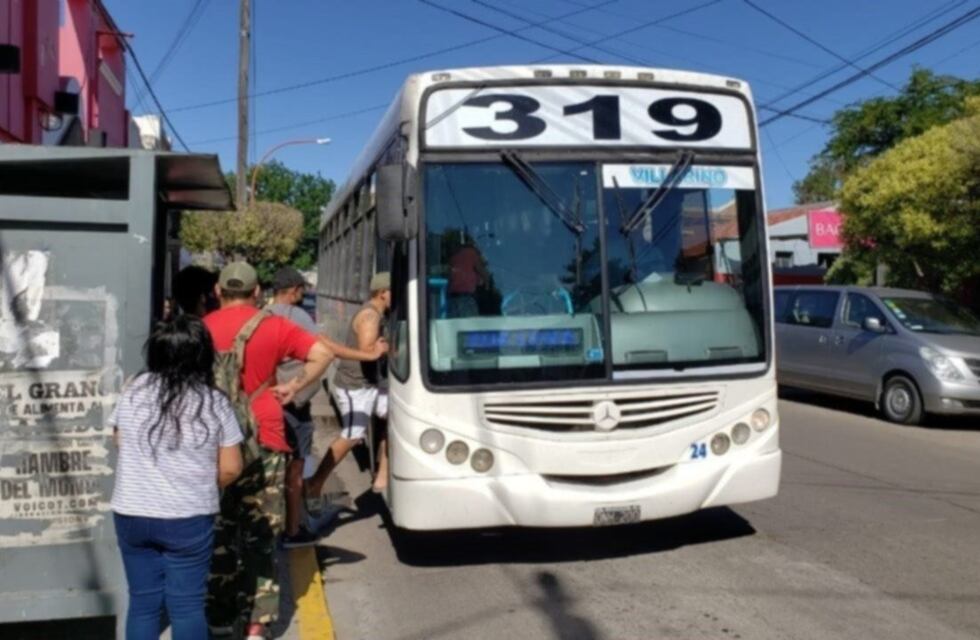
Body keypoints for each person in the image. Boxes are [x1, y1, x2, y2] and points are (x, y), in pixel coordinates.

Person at [203, 261, 332, 639]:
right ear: (258, 292)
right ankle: (256, 625)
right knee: (260, 534)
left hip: (211, 442)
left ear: (217, 290)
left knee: (219, 531)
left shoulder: (200, 328)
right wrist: (295, 386)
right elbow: (322, 353)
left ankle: (220, 617)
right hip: (266, 435)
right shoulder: (273, 325)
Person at [111, 316, 244, 640]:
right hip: (187, 518)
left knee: (143, 603)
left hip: (131, 512)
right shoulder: (214, 403)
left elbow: (119, 439)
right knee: (186, 606)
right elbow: (231, 468)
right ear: (203, 355)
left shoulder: (132, 390)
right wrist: (198, 484)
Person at [266, 266, 385, 546]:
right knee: (295, 467)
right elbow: (326, 348)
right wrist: (367, 354)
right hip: (292, 401)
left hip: (264, 401)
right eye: (302, 290)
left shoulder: (264, 315)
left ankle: (278, 523)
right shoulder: (296, 316)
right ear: (294, 291)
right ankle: (294, 528)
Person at [306, 272, 391, 498]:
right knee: (353, 434)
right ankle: (315, 483)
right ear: (383, 293)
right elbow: (366, 351)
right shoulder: (370, 316)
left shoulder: (378, 313)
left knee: (396, 417)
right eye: (394, 291)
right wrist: (385, 349)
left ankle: (383, 476)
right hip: (356, 386)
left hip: (372, 384)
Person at [448, 241, 489, 317]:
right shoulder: (471, 253)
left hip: (452, 298)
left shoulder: (454, 256)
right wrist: (487, 283)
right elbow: (481, 271)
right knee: (471, 325)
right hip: (466, 298)